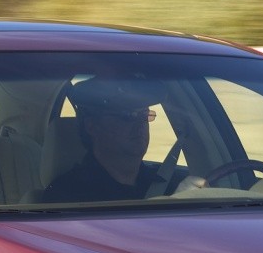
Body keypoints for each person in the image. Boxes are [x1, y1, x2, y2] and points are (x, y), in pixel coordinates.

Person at [38, 78, 185, 203]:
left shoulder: (170, 185)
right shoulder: (66, 197)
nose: (140, 124)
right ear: (92, 126)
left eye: (144, 115)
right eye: (128, 116)